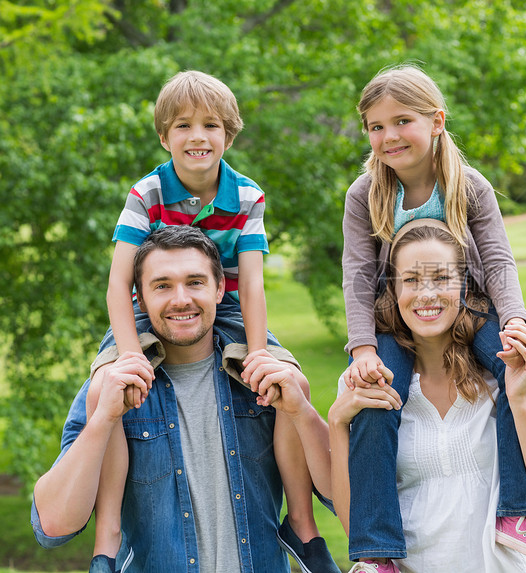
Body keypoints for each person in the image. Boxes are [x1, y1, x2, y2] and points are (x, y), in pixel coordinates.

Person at [85, 71, 337, 572]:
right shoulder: (147, 193)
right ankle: (107, 538)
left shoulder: (247, 197)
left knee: (288, 383)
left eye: (211, 125)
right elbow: (119, 284)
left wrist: (261, 351)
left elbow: (253, 282)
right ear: (164, 136)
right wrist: (131, 351)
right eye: (183, 126)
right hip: (149, 309)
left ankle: (304, 528)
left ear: (229, 134)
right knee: (105, 391)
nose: (197, 136)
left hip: (225, 306)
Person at [340, 64, 526, 566]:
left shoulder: (468, 186)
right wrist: (362, 347)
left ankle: (517, 512)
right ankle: (376, 549)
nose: (389, 136)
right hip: (393, 322)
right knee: (376, 400)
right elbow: (359, 273)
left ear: (437, 121)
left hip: (472, 311)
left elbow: (496, 259)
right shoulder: (365, 194)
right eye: (376, 126)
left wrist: (516, 321)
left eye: (402, 121)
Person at [31, 226, 336, 572]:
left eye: (195, 282)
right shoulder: (112, 386)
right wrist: (103, 420)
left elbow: (344, 500)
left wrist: (303, 412)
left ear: (220, 289)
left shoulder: (264, 380)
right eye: (162, 286)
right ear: (140, 300)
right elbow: (54, 525)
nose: (181, 299)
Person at [331, 220, 526, 572]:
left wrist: (520, 402)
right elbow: (353, 524)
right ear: (393, 290)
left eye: (442, 278)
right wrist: (337, 423)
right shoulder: (369, 381)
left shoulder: (512, 375)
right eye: (411, 280)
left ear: (464, 285)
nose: (427, 294)